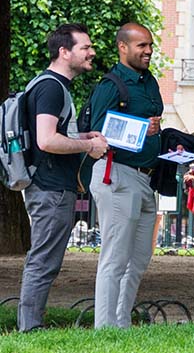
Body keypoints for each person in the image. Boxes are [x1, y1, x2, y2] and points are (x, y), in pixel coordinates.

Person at [18, 24, 108, 332]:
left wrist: (82, 135)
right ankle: (29, 328)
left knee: (44, 258)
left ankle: (30, 323)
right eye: (85, 47)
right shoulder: (52, 87)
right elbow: (46, 141)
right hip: (51, 187)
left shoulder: (47, 85)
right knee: (44, 260)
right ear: (64, 52)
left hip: (48, 185)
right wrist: (89, 146)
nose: (91, 52)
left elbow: (53, 135)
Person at [89, 23, 164, 329]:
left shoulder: (149, 82)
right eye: (141, 46)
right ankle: (105, 328)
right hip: (118, 175)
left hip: (146, 178)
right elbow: (96, 134)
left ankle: (121, 324)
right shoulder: (111, 85)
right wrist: (140, 129)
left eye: (149, 45)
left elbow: (152, 123)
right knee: (115, 259)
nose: (147, 51)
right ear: (123, 47)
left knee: (138, 260)